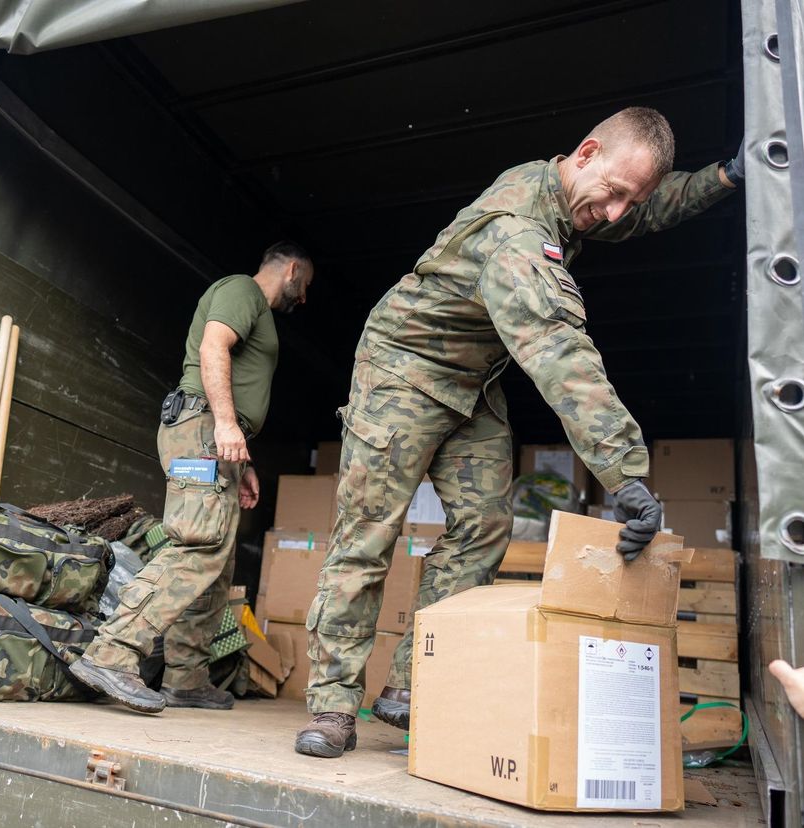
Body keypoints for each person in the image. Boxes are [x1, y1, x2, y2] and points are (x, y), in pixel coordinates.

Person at [294, 107, 745, 758]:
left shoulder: (575, 197)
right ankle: (334, 708)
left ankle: (412, 683)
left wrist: (724, 178)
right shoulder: (517, 231)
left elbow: (646, 207)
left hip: (471, 382)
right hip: (404, 369)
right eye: (615, 193)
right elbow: (559, 353)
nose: (618, 214)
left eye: (630, 199)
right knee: (367, 538)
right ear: (586, 154)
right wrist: (627, 477)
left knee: (483, 527)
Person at [72, 242, 314, 714]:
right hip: (204, 427)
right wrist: (224, 425)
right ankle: (111, 654)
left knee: (216, 563)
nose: (303, 298)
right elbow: (213, 346)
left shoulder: (256, 311)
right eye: (305, 285)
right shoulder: (243, 290)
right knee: (198, 546)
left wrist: (241, 464)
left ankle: (186, 679)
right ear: (290, 269)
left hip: (216, 437)